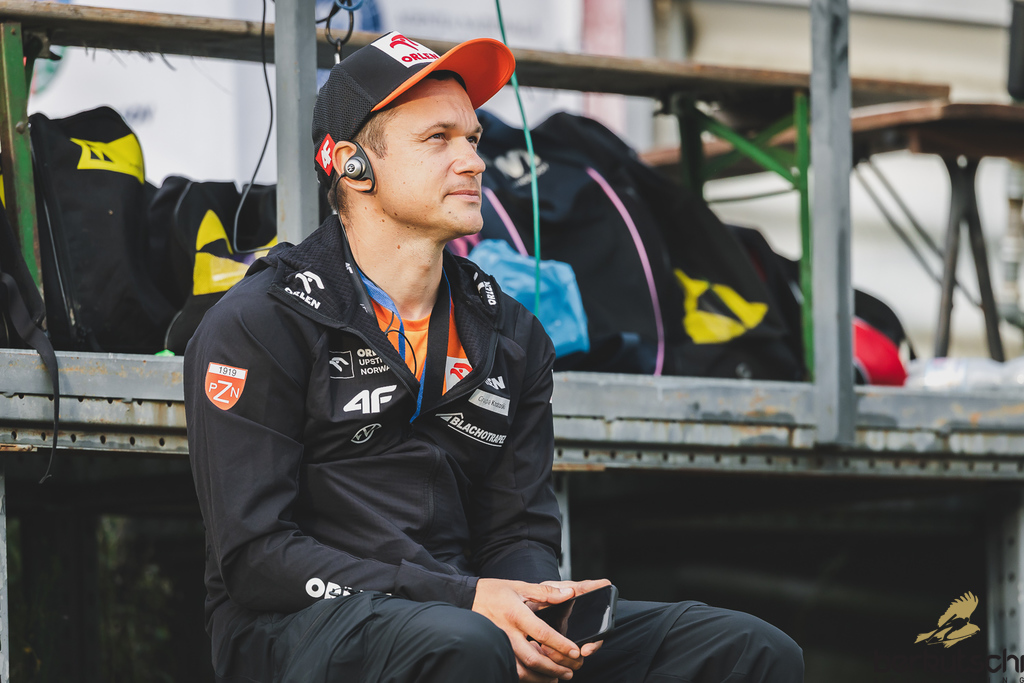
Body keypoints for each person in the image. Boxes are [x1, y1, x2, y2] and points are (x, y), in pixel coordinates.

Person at [184, 30, 804, 683]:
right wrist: (465, 600)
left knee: (750, 650)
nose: (474, 161)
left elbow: (519, 531)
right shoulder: (262, 321)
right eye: (438, 139)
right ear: (351, 164)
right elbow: (256, 559)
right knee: (464, 643)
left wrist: (536, 617)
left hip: (465, 618)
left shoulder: (512, 333)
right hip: (298, 629)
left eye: (473, 139)